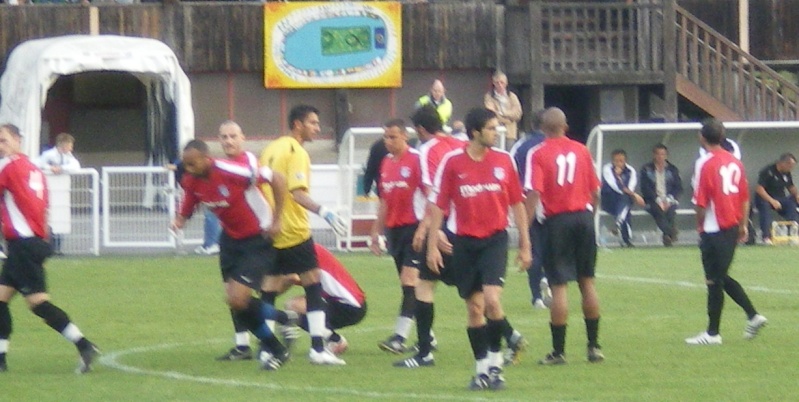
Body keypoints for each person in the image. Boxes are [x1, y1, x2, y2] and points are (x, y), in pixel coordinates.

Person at [427, 107, 531, 391]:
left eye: (497, 128)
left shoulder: (504, 161)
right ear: (475, 132)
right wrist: (433, 241)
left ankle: (496, 366)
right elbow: (438, 203)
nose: (496, 133)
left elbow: (517, 204)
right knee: (474, 309)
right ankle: (481, 369)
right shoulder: (453, 163)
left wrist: (525, 243)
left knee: (492, 301)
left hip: (495, 240)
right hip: (464, 243)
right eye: (491, 128)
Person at [172, 139, 299, 370]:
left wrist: (278, 219)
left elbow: (278, 179)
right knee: (236, 303)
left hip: (257, 239)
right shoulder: (191, 179)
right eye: (186, 164)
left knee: (238, 299)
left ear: (206, 158)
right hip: (230, 240)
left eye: (192, 164)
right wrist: (181, 218)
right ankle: (280, 333)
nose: (188, 169)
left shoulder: (231, 171)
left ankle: (278, 339)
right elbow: (191, 197)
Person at [0, 124, 99, 374]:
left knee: (38, 303)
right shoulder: (34, 168)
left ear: (17, 140)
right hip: (30, 243)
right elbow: (42, 208)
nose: (0, 146)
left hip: (23, 245)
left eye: (3, 140)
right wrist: (43, 244)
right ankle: (0, 359)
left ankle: (84, 345)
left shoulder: (7, 166)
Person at [258, 104, 349, 366]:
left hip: (271, 230)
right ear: (297, 124)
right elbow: (297, 193)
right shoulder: (296, 151)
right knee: (313, 283)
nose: (317, 128)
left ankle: (266, 348)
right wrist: (326, 212)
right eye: (312, 123)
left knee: (269, 289)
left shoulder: (270, 149)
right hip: (294, 231)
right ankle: (318, 348)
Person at [524, 107, 604, 366]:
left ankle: (558, 352)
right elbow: (595, 192)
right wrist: (589, 219)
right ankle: (593, 347)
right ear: (565, 126)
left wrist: (524, 229)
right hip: (583, 218)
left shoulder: (538, 153)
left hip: (557, 222)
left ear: (543, 129)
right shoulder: (582, 150)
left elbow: (534, 193)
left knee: (559, 286)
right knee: (587, 282)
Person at [685, 119, 767, 345]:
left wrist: (699, 225)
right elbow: (744, 196)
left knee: (714, 280)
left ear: (702, 138)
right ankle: (752, 316)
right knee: (719, 277)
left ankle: (713, 334)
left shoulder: (704, 163)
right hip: (732, 225)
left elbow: (701, 201)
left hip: (714, 227)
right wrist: (742, 225)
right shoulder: (735, 162)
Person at [212, 120, 269, 361]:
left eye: (233, 136)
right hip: (229, 237)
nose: (228, 141)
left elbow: (256, 179)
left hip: (256, 238)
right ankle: (242, 345)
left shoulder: (250, 162)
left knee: (251, 294)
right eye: (224, 137)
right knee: (231, 293)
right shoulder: (218, 168)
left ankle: (278, 330)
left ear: (242, 138)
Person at [369, 119, 425, 356]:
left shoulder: (417, 160)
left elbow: (431, 196)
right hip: (394, 231)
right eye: (385, 137)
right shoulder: (385, 163)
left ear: (405, 136)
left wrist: (425, 228)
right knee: (410, 287)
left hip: (414, 228)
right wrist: (375, 231)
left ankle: (399, 337)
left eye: (393, 137)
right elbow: (384, 200)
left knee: (409, 281)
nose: (388, 141)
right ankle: (427, 335)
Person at [280, 244, 367, 356]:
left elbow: (291, 278)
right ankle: (332, 340)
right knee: (297, 305)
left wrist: (267, 296)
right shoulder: (306, 247)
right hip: (349, 302)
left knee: (293, 306)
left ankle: (335, 340)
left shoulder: (301, 251)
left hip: (348, 305)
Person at [510, 109, 552, 309]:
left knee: (531, 247)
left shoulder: (520, 146)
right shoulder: (552, 143)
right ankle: (549, 280)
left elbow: (511, 171)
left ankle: (536, 297)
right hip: (552, 203)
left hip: (526, 202)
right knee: (551, 248)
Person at [36, 132, 81, 256]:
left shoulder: (68, 156)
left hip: (60, 192)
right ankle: (49, 247)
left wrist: (61, 169)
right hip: (49, 190)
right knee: (49, 217)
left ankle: (58, 248)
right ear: (63, 144)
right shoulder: (48, 155)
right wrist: (50, 168)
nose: (71, 148)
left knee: (61, 216)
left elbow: (76, 166)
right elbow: (37, 164)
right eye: (70, 145)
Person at [639, 144, 683, 246]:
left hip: (669, 199)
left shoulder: (672, 169)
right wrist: (657, 199)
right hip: (652, 200)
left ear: (666, 155)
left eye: (663, 154)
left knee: (671, 212)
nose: (660, 157)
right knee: (657, 210)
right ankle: (671, 233)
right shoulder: (646, 169)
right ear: (654, 155)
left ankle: (667, 236)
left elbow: (678, 187)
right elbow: (645, 188)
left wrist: (668, 199)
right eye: (658, 154)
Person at [601, 148, 644, 247]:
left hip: (624, 200)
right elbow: (614, 186)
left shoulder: (630, 171)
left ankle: (618, 223)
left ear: (625, 161)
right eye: (616, 161)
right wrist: (617, 177)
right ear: (612, 161)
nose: (618, 163)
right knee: (626, 203)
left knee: (625, 201)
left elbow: (631, 187)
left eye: (621, 161)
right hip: (609, 200)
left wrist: (630, 193)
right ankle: (626, 239)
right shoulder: (607, 169)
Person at [754, 153, 799, 245]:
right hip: (765, 198)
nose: (791, 168)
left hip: (780, 198)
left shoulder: (786, 173)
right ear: (783, 163)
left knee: (791, 205)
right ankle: (766, 237)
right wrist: (772, 201)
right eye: (790, 166)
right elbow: (759, 189)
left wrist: (797, 195)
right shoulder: (768, 171)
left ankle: (792, 234)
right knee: (765, 207)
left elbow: (791, 187)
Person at [483, 71, 523, 149]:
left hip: (511, 133)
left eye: (502, 82)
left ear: (506, 83)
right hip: (496, 132)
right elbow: (492, 114)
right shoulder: (489, 96)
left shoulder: (512, 96)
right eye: (497, 83)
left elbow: (518, 113)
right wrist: (509, 120)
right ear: (493, 83)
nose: (500, 85)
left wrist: (503, 113)